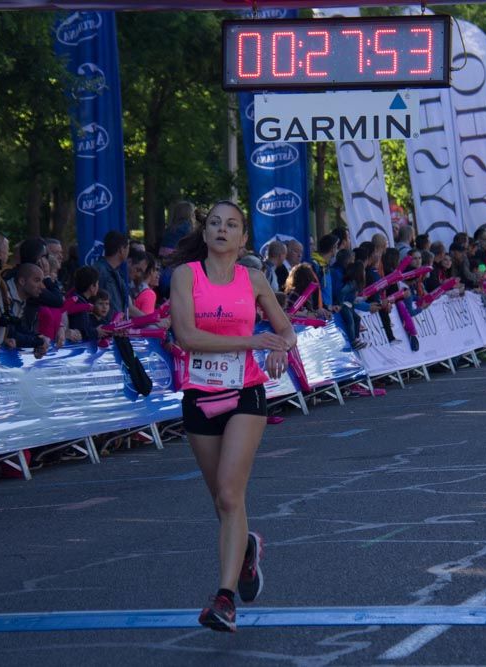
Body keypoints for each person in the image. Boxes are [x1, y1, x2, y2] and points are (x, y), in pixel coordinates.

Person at [169, 200, 296, 633]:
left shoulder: (254, 278)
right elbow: (186, 336)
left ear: (243, 238)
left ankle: (224, 600)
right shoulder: (185, 277)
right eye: (215, 224)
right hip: (200, 396)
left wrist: (279, 347)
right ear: (204, 234)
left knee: (228, 493)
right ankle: (245, 550)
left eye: (232, 225)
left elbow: (285, 329)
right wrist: (250, 342)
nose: (222, 230)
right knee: (224, 504)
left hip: (245, 393)